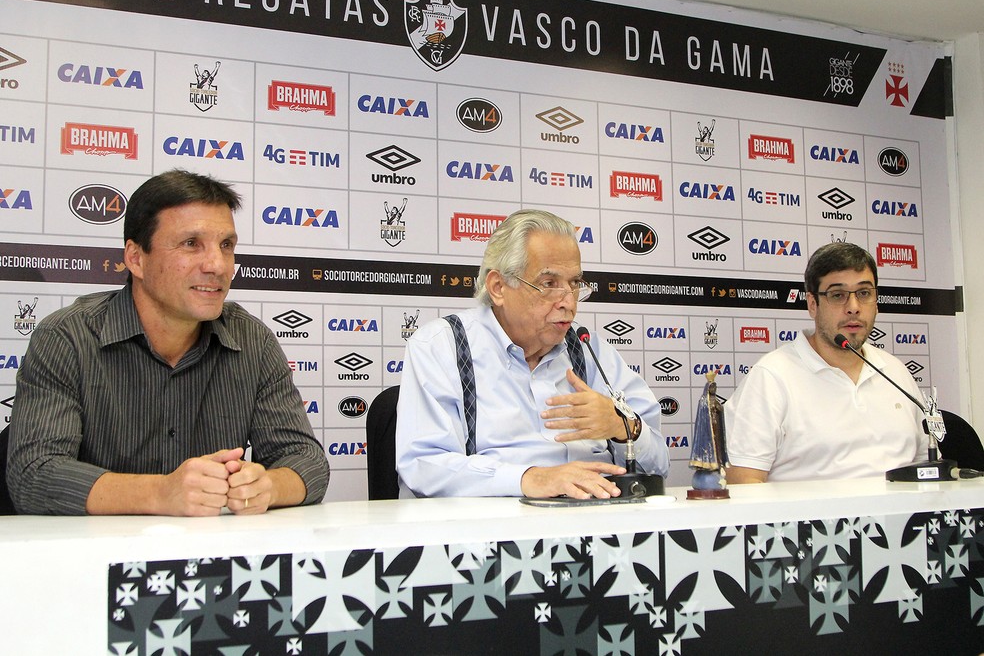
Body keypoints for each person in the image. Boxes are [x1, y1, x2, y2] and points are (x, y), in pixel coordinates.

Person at [7, 169, 329, 515]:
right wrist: (161, 493)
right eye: (191, 244)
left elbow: (308, 461)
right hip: (95, 558)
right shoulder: (68, 338)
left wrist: (266, 485)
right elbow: (34, 474)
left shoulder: (252, 340)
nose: (217, 265)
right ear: (136, 258)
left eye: (226, 246)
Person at [396, 209, 669, 498]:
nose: (568, 303)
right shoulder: (442, 346)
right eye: (549, 284)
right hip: (492, 529)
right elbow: (423, 465)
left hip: (597, 522)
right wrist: (528, 479)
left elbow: (660, 466)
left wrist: (624, 427)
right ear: (499, 287)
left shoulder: (591, 351)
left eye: (575, 283)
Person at [725, 242, 924, 483]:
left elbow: (926, 467)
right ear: (812, 304)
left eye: (864, 294)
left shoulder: (895, 372)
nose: (853, 308)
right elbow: (744, 483)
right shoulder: (772, 376)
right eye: (837, 295)